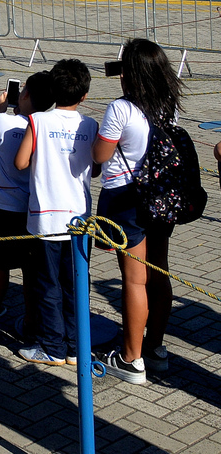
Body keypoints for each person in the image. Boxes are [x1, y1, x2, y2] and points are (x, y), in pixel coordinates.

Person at [91, 39, 185, 383]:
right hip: (160, 196)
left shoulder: (120, 109)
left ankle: (131, 359)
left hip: (126, 199)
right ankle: (155, 348)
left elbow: (101, 155)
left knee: (134, 279)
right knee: (159, 273)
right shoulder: (167, 105)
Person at [13, 58, 97, 366]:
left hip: (46, 217)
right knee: (75, 284)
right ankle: (76, 347)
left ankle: (52, 346)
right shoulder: (90, 124)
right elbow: (95, 167)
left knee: (47, 285)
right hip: (80, 216)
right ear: (84, 94)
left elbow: (20, 163)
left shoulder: (39, 121)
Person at [0, 71, 53, 341]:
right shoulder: (43, 125)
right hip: (33, 205)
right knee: (31, 267)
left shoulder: (4, 123)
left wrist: (0, 109)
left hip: (6, 206)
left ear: (25, 94)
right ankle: (31, 322)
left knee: (2, 265)